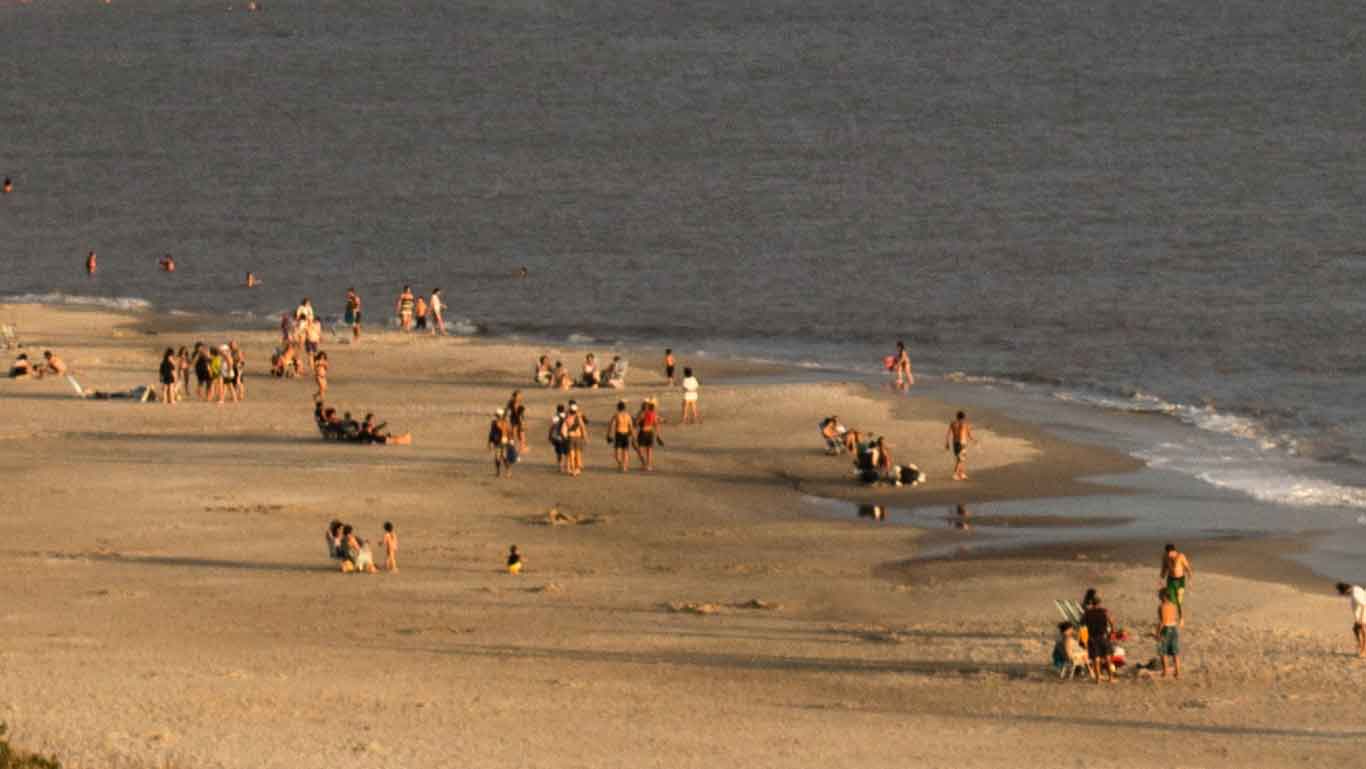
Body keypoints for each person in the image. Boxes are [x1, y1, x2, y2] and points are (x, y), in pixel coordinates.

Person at [1081, 591, 1116, 683]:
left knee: (1096, 659)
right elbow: (1111, 622)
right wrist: (1112, 631)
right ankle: (1111, 678)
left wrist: (1083, 639)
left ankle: (1098, 679)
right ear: (1100, 603)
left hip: (1092, 638)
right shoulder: (1104, 611)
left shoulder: (1087, 613)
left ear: (1092, 603)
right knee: (1107, 658)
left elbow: (1082, 625)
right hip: (1103, 636)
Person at [1160, 544, 1193, 625]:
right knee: (1171, 599)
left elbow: (1187, 567)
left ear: (1173, 551)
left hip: (1180, 580)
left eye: (1169, 553)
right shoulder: (1166, 557)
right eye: (1166, 553)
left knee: (1179, 599)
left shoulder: (1180, 556)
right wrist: (1161, 578)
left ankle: (1181, 618)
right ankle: (1170, 617)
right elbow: (1164, 568)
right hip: (1170, 580)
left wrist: (1190, 578)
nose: (1168, 555)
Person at [1155, 589, 1181, 678]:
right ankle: (1177, 672)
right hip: (1174, 628)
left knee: (1163, 652)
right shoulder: (1174, 606)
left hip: (1166, 629)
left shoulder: (1162, 606)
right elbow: (1175, 617)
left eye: (1159, 595)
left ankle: (1165, 672)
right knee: (1175, 653)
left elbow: (1163, 621)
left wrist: (1157, 633)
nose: (1158, 597)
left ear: (1164, 597)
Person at [1335, 582, 1366, 658]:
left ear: (1345, 591)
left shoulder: (1355, 595)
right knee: (1355, 629)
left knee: (1363, 632)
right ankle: (1361, 647)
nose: (1344, 595)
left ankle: (1364, 652)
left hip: (1363, 616)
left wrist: (1361, 619)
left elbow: (1363, 604)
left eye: (1342, 593)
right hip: (1360, 616)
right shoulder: (1356, 588)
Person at [945, 411, 976, 481]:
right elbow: (969, 435)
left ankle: (961, 474)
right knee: (960, 460)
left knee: (959, 459)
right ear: (964, 417)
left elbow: (948, 434)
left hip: (955, 443)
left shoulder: (953, 423)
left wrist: (947, 443)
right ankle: (955, 474)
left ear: (957, 416)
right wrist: (974, 440)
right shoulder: (965, 424)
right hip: (962, 444)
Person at [607, 401, 635, 473]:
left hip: (619, 434)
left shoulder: (616, 415)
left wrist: (609, 435)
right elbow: (631, 427)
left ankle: (621, 464)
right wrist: (633, 436)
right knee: (625, 452)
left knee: (616, 454)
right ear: (624, 408)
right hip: (626, 435)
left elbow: (611, 425)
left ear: (618, 408)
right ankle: (624, 466)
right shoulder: (628, 416)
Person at [635, 398, 663, 471]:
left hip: (643, 432)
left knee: (640, 449)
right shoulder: (653, 413)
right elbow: (656, 425)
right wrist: (658, 436)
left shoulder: (642, 413)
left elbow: (636, 423)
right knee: (649, 450)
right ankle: (649, 465)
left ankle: (644, 464)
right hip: (650, 432)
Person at [561, 402, 586, 476]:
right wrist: (584, 437)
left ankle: (573, 470)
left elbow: (563, 430)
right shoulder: (578, 418)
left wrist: (565, 437)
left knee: (571, 454)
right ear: (575, 411)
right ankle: (577, 469)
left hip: (570, 437)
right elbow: (583, 427)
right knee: (577, 453)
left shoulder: (567, 419)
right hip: (578, 437)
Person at [489, 408, 513, 478]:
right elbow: (491, 433)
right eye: (496, 415)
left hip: (504, 441)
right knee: (497, 457)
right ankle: (498, 471)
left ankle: (508, 471)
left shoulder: (505, 423)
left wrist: (511, 440)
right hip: (497, 442)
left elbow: (509, 432)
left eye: (498, 415)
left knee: (504, 457)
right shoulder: (493, 423)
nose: (497, 417)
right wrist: (490, 442)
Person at [549, 404, 569, 474]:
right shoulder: (567, 416)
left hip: (557, 438)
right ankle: (567, 466)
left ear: (557, 410)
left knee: (559, 453)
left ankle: (560, 467)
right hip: (566, 436)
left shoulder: (555, 417)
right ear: (563, 409)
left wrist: (550, 436)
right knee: (566, 452)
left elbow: (552, 427)